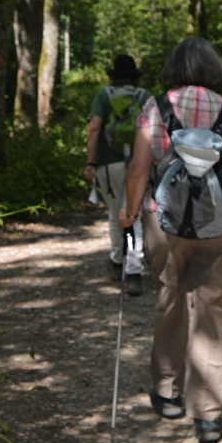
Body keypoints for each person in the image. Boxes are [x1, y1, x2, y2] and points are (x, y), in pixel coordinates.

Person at [122, 38, 222, 443]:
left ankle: (168, 393)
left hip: (163, 220)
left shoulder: (155, 107)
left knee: (170, 301)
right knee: (211, 311)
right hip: (221, 221)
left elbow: (138, 168)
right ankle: (207, 415)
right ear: (215, 69)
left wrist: (129, 213)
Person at [86, 55, 152, 295]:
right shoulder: (145, 97)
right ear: (136, 76)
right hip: (140, 163)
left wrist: (91, 162)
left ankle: (117, 262)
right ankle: (134, 271)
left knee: (116, 214)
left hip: (109, 162)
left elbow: (94, 127)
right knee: (134, 213)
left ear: (112, 75)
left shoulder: (103, 95)